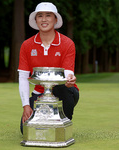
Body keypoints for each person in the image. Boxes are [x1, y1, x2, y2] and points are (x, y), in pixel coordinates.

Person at [18, 2, 79, 134]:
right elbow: (23, 77)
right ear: (36, 20)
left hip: (64, 91)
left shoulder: (67, 43)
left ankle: (63, 124)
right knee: (25, 130)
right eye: (40, 16)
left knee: (62, 89)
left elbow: (67, 73)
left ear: (55, 19)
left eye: (48, 15)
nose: (44, 19)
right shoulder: (26, 45)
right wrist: (26, 105)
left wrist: (69, 79)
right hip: (39, 93)